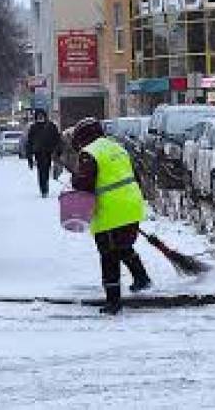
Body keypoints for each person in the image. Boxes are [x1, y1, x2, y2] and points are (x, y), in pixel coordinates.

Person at [71, 117, 152, 315]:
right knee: (123, 246)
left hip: (110, 210)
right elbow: (135, 175)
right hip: (132, 204)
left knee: (108, 255)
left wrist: (75, 179)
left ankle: (113, 301)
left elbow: (84, 184)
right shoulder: (117, 147)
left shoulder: (89, 153)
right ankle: (141, 278)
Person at [26, 109, 61, 198]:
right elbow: (29, 142)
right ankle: (44, 189)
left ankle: (45, 186)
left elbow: (57, 139)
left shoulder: (51, 126)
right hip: (39, 153)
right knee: (41, 171)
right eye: (38, 116)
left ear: (45, 116)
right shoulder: (33, 127)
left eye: (42, 116)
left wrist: (57, 151)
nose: (40, 118)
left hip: (49, 152)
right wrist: (29, 157)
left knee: (46, 169)